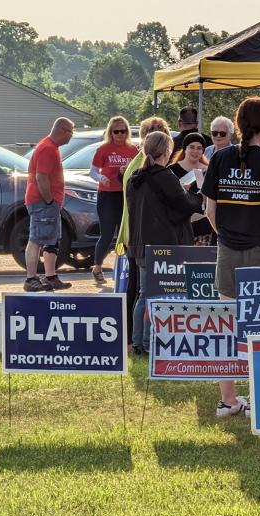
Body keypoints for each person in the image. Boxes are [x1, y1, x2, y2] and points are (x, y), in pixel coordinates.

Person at [202, 96, 260, 417]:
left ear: (238, 126)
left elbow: (210, 210)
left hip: (228, 250)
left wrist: (227, 234)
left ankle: (227, 401)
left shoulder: (220, 158)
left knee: (228, 326)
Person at [128, 131, 203, 353]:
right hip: (162, 246)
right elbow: (184, 205)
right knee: (158, 296)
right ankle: (151, 344)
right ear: (167, 151)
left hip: (140, 243)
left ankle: (139, 342)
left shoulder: (136, 177)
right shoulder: (164, 176)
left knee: (143, 294)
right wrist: (196, 194)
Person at [116, 117, 170, 352]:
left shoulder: (136, 167)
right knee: (141, 291)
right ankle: (136, 340)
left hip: (134, 236)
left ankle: (134, 339)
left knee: (139, 291)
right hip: (138, 236)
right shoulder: (144, 169)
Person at [23, 117, 75, 292]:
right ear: (63, 130)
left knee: (51, 240)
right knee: (36, 239)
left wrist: (60, 192)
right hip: (42, 202)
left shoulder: (52, 147)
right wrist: (49, 200)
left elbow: (48, 177)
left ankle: (50, 276)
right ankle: (31, 278)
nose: (71, 136)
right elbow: (41, 177)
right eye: (71, 132)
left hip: (49, 202)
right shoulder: (48, 149)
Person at [89, 116, 139, 284]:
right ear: (110, 132)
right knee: (107, 234)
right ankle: (97, 266)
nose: (119, 134)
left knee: (125, 233)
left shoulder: (133, 149)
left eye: (123, 131)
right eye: (116, 131)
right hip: (107, 194)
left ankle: (125, 266)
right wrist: (101, 177)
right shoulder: (103, 149)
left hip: (125, 195)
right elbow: (93, 171)